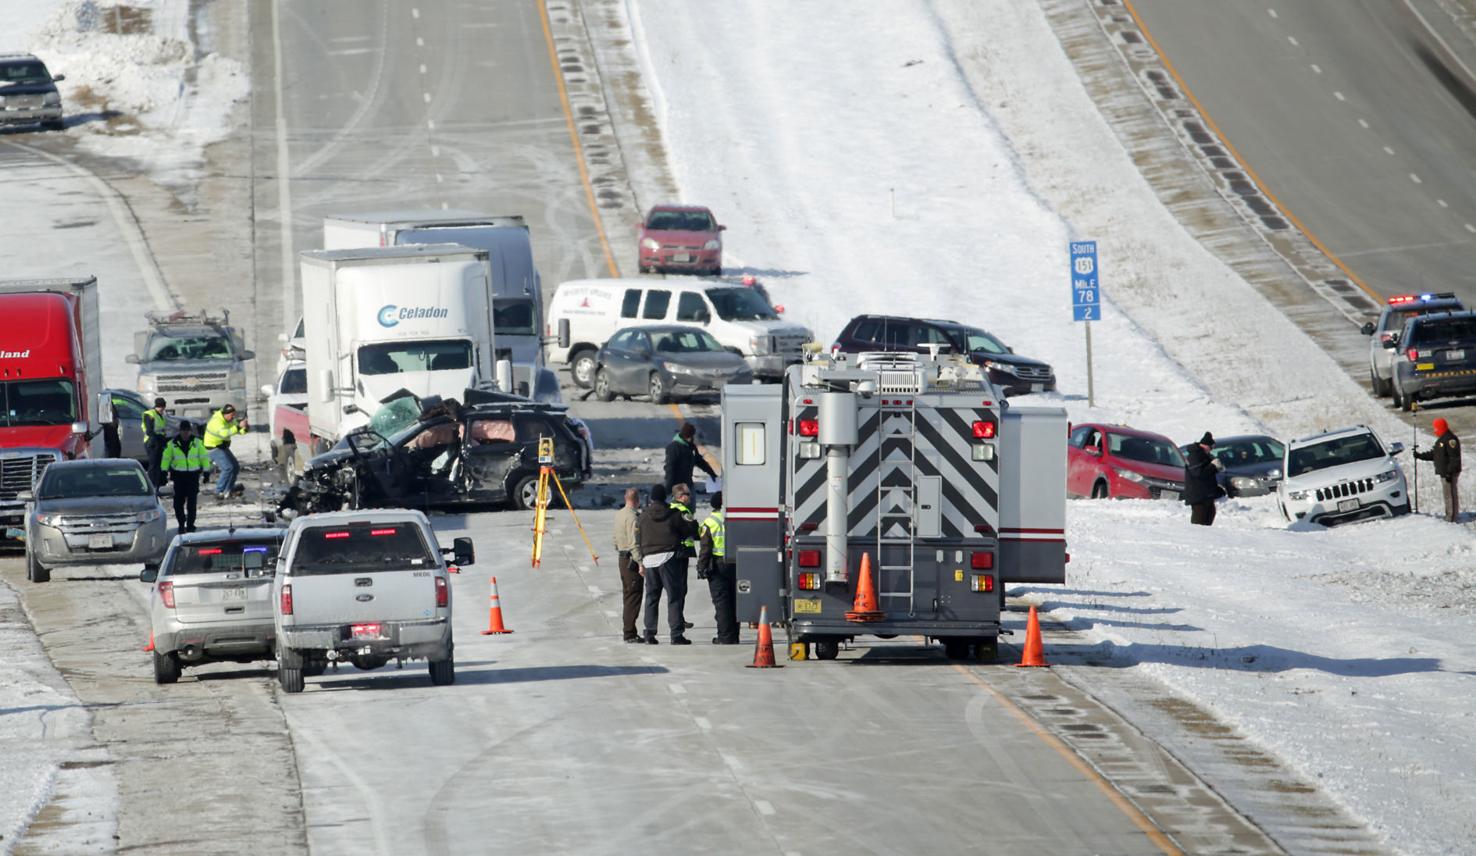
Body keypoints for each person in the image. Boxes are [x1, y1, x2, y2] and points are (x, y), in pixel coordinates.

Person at [638, 482, 699, 645]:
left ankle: (649, 633)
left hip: (649, 559)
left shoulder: (643, 516)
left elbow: (638, 538)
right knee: (674, 597)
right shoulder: (673, 514)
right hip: (669, 557)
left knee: (651, 597)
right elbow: (690, 530)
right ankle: (676, 634)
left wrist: (641, 559)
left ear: (651, 497)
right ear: (665, 496)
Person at [698, 490, 739, 645]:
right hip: (736, 563)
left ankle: (725, 637)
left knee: (722, 602)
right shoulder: (734, 519)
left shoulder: (709, 522)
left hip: (717, 565)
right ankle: (734, 635)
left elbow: (705, 548)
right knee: (735, 601)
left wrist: (701, 567)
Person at [162, 421, 208, 532]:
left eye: (187, 430)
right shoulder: (172, 443)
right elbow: (166, 458)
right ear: (180, 431)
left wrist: (206, 472)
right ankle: (181, 524)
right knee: (178, 504)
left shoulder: (197, 443)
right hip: (179, 477)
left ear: (190, 431)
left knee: (191, 504)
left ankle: (191, 525)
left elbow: (204, 458)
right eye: (183, 430)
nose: (185, 433)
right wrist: (164, 472)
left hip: (193, 476)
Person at [612, 487, 644, 643]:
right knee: (634, 596)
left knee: (627, 595)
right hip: (631, 559)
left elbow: (615, 538)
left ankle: (629, 630)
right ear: (637, 501)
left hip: (622, 558)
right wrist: (640, 563)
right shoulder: (633, 518)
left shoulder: (619, 514)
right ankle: (629, 633)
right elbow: (634, 543)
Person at [1415, 418, 1461, 522]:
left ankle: (1452, 517)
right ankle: (1449, 514)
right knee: (1447, 494)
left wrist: (1450, 472)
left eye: (1436, 428)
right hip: (1444, 472)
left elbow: (1454, 458)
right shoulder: (1441, 440)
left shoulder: (1450, 440)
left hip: (1449, 473)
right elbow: (1435, 455)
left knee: (1450, 494)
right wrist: (1419, 456)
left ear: (1441, 427)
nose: (1434, 430)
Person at [203, 404, 249, 501]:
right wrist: (238, 426)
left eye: (234, 415)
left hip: (222, 446)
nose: (233, 417)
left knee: (235, 467)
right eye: (232, 415)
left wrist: (245, 427)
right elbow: (225, 434)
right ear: (225, 414)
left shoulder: (229, 419)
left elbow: (239, 431)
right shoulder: (216, 422)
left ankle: (228, 489)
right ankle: (218, 491)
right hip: (213, 448)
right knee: (228, 468)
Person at [1183, 431, 1224, 526]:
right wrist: (1213, 466)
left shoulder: (1205, 455)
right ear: (1206, 446)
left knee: (1210, 514)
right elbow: (1198, 473)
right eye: (1211, 448)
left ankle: (1206, 537)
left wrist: (1217, 468)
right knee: (1199, 520)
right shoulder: (1195, 455)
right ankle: (1197, 538)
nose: (1211, 450)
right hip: (1198, 495)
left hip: (1207, 493)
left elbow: (1208, 472)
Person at [664, 423, 717, 493]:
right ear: (684, 436)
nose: (691, 438)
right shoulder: (674, 448)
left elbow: (699, 461)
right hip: (677, 487)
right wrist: (668, 487)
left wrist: (712, 473)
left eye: (692, 436)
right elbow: (670, 468)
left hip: (688, 485)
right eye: (689, 436)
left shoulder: (691, 447)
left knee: (690, 502)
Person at [143, 396, 168, 489]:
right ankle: (152, 487)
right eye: (163, 407)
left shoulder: (160, 415)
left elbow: (162, 430)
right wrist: (160, 437)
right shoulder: (150, 414)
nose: (164, 409)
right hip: (152, 443)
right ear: (160, 406)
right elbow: (149, 431)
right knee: (153, 466)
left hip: (159, 442)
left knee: (158, 466)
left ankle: (156, 486)